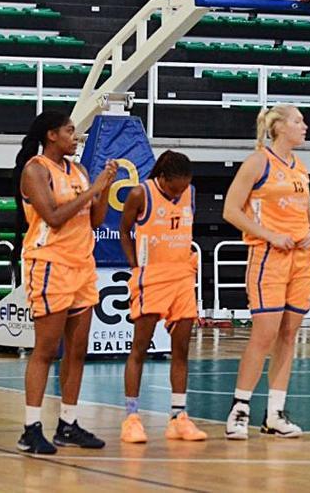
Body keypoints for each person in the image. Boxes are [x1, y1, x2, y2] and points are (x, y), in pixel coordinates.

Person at [15, 110, 118, 454]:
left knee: (77, 350)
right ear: (51, 135)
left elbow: (95, 219)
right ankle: (30, 429)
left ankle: (68, 424)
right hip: (49, 264)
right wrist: (93, 191)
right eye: (71, 131)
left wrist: (103, 189)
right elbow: (55, 218)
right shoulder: (35, 169)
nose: (76, 137)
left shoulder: (80, 170)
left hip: (81, 264)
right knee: (46, 349)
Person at [223, 105, 310, 439]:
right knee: (264, 335)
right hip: (269, 257)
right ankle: (239, 409)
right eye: (298, 121)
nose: (305, 126)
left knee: (289, 335)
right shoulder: (258, 162)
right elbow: (230, 210)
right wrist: (269, 235)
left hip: (302, 258)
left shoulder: (300, 167)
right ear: (279, 127)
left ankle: (275, 412)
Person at [119, 150, 207, 443]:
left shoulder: (190, 193)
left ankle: (178, 417)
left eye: (183, 187)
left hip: (182, 275)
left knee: (181, 349)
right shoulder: (139, 194)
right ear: (162, 178)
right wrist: (134, 265)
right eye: (174, 188)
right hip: (152, 276)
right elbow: (124, 230)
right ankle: (131, 417)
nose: (179, 192)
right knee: (140, 348)